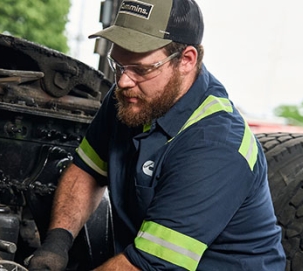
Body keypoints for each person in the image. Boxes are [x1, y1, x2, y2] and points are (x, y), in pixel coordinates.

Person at [28, 0, 286, 270]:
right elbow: (88, 170)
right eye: (118, 65)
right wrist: (56, 243)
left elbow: (148, 266)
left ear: (186, 60)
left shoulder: (217, 146)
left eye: (141, 69)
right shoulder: (130, 99)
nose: (123, 81)